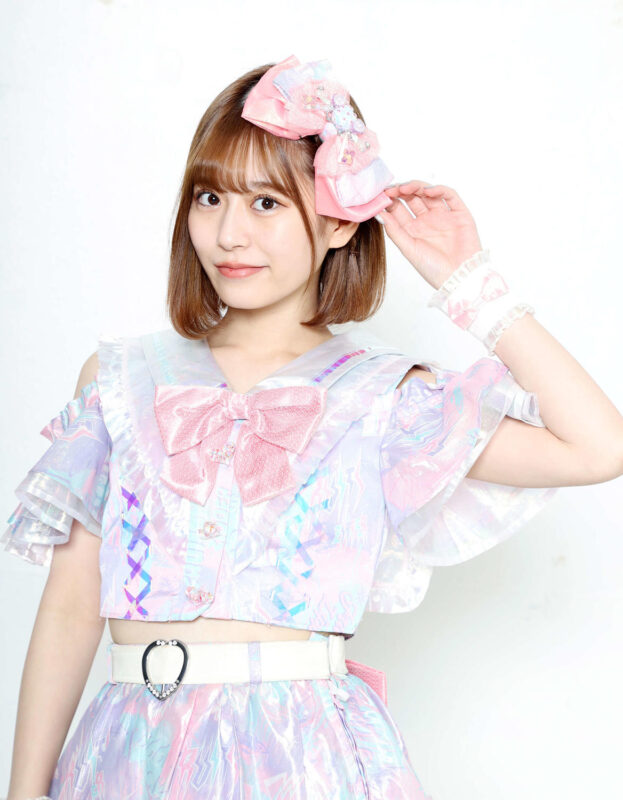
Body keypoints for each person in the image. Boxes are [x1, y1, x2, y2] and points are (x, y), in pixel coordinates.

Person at [3, 53, 623, 800]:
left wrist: (468, 282)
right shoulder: (118, 380)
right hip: (124, 758)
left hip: (300, 759)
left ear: (336, 220)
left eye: (266, 203)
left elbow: (597, 447)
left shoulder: (384, 398)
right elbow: (70, 608)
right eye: (209, 197)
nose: (229, 233)